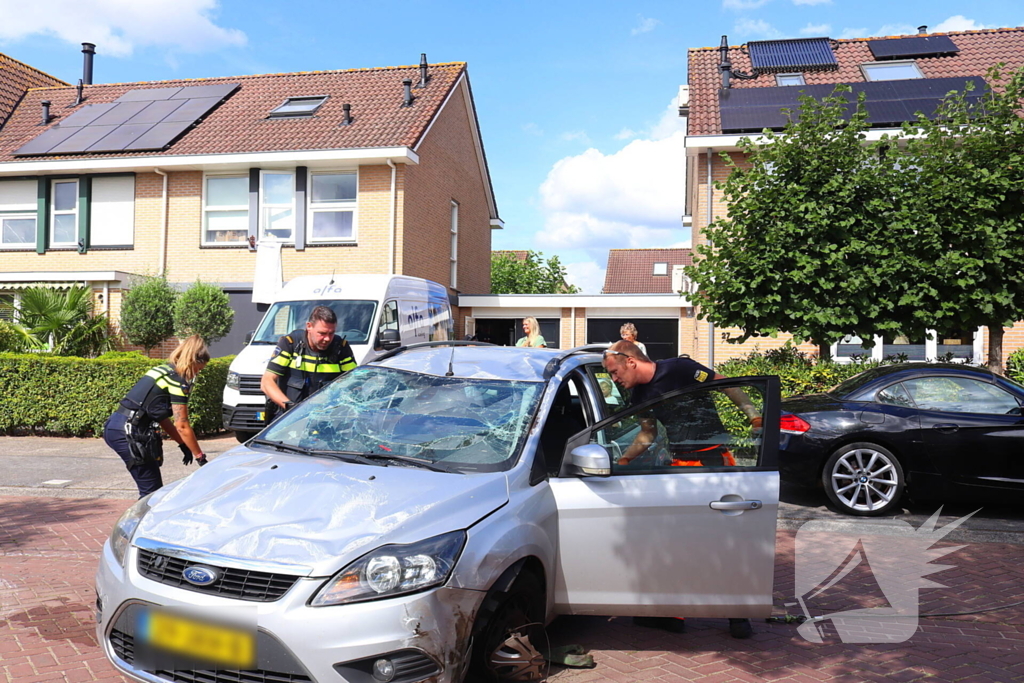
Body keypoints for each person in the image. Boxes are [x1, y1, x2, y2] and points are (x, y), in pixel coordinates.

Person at [601, 339, 762, 639]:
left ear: (631, 361)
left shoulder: (681, 368)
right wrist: (622, 461)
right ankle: (670, 614)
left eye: (614, 372)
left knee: (726, 540)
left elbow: (725, 384)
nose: (615, 379)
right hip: (680, 467)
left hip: (715, 462)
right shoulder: (638, 395)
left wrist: (753, 415)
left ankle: (738, 616)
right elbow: (647, 434)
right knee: (673, 541)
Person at [103, 336, 211, 498]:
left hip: (116, 425)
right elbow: (182, 425)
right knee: (151, 494)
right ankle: (136, 523)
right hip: (129, 432)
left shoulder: (162, 370)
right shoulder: (177, 381)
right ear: (193, 362)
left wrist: (183, 445)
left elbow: (161, 418)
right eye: (199, 369)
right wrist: (200, 457)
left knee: (152, 489)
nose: (197, 374)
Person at [261, 305, 357, 424]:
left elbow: (356, 383)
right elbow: (266, 382)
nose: (327, 339)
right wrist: (290, 408)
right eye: (322, 333)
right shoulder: (290, 344)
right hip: (290, 419)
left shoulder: (341, 348)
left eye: (331, 333)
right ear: (309, 327)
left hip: (327, 421)